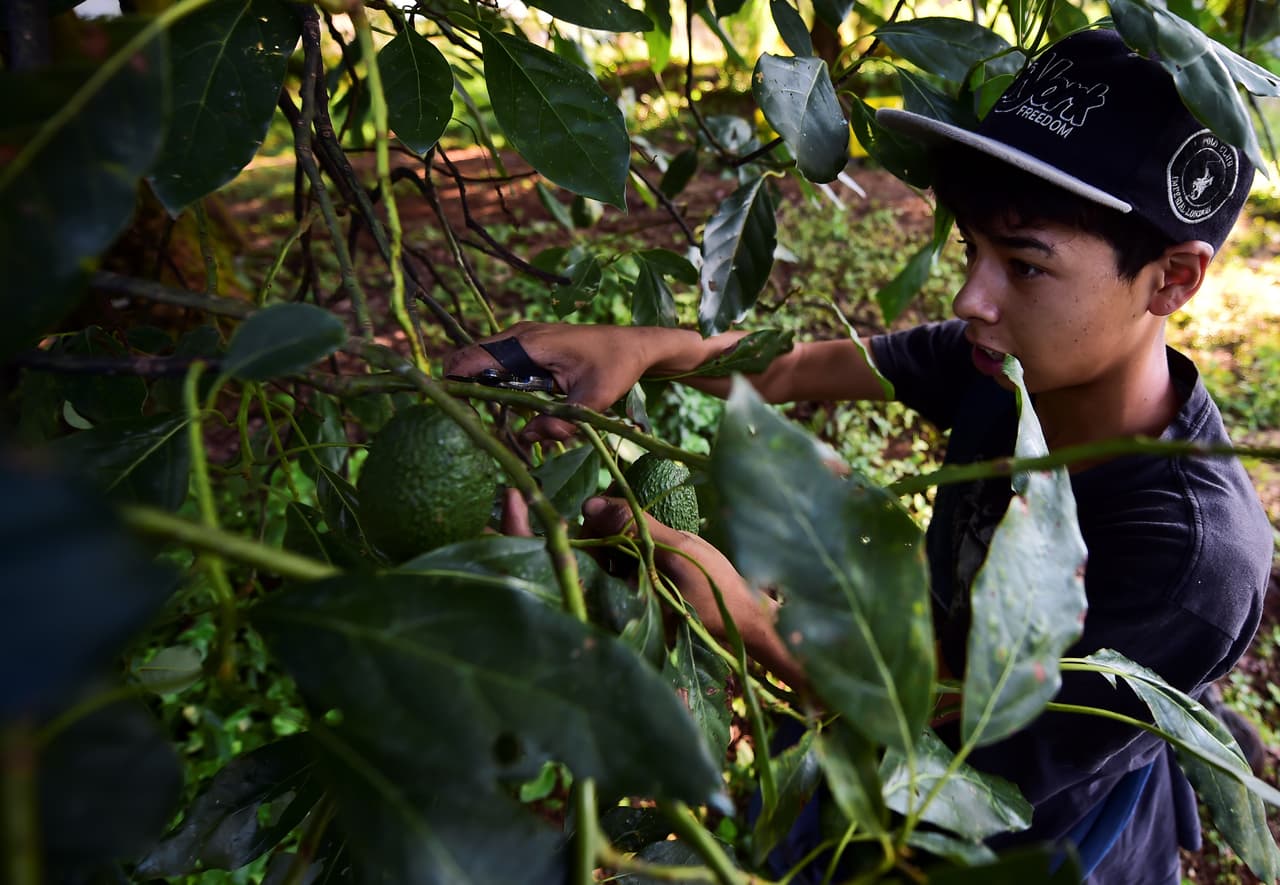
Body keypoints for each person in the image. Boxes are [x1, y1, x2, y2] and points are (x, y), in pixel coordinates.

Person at [445, 28, 1273, 884]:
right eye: (971, 251)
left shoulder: (1191, 560)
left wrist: (745, 617)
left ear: (1171, 279)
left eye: (1023, 265)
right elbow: (796, 369)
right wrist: (639, 345)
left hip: (1005, 840)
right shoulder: (1002, 361)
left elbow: (955, 746)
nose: (969, 298)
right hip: (879, 722)